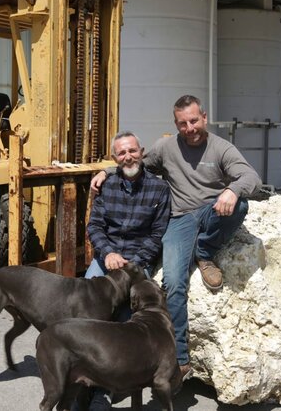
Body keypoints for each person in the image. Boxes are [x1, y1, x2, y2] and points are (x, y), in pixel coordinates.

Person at [91, 95, 261, 380]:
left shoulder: (221, 148)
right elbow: (135, 163)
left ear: (204, 118)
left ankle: (205, 252)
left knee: (240, 204)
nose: (190, 127)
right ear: (176, 124)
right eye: (183, 123)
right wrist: (106, 171)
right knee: (172, 281)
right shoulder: (166, 147)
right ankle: (179, 358)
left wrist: (232, 190)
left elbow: (251, 177)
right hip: (180, 219)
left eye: (194, 120)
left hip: (211, 212)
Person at [82, 130, 171, 411]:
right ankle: (81, 377)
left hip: (136, 263)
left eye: (132, 150)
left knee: (125, 317)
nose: (128, 156)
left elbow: (157, 234)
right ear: (114, 157)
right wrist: (107, 253)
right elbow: (94, 226)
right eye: (121, 153)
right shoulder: (106, 186)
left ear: (142, 151)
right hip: (107, 257)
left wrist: (133, 263)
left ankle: (106, 388)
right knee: (87, 305)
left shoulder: (159, 189)